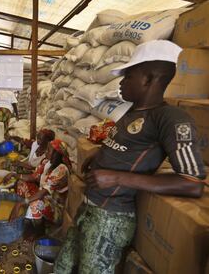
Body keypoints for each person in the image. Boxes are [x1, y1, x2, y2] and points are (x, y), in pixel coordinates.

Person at [54, 40, 206, 273]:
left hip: (110, 219)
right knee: (63, 266)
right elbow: (127, 148)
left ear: (149, 78)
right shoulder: (131, 112)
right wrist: (98, 154)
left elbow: (191, 183)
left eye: (128, 76)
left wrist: (117, 178)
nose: (121, 83)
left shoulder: (172, 119)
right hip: (89, 206)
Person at [4, 139, 72, 226]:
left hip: (54, 205)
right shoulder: (46, 162)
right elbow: (33, 177)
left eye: (49, 150)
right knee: (21, 183)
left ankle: (39, 229)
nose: (46, 152)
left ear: (56, 155)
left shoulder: (61, 170)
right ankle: (24, 210)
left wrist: (20, 203)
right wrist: (14, 175)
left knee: (35, 205)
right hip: (42, 194)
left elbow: (43, 193)